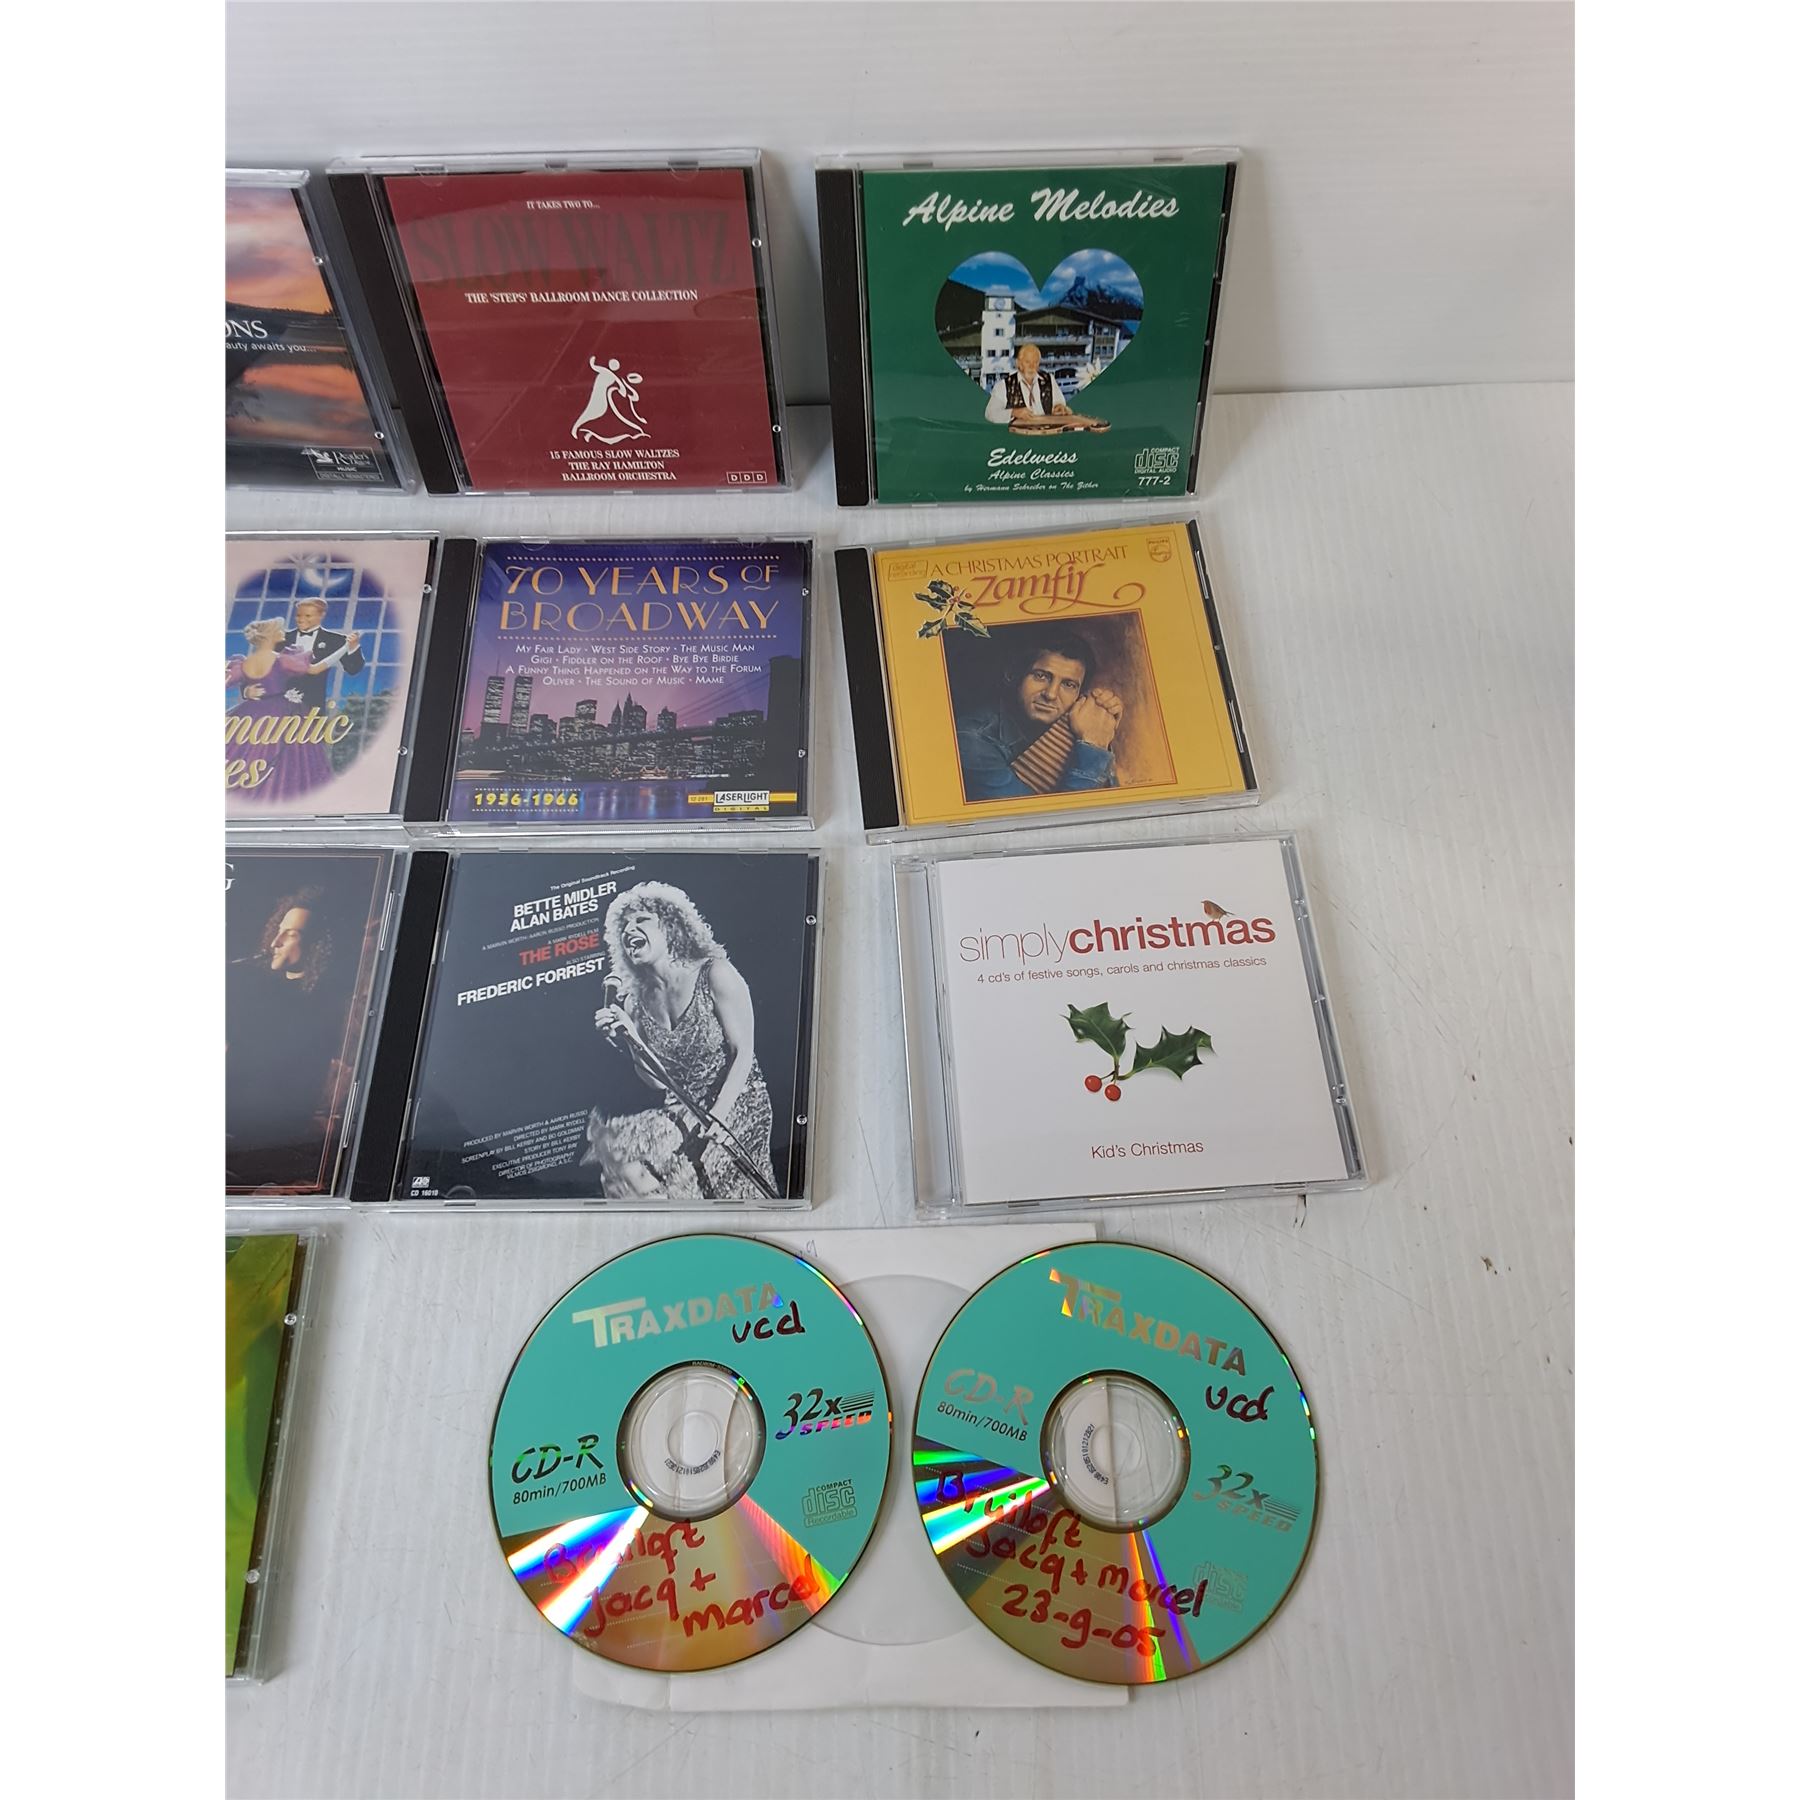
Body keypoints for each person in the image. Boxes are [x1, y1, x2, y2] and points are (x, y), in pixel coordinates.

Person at [582, 883, 777, 1200]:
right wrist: (630, 1038)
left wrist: (718, 1116)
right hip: (681, 1109)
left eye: (642, 920)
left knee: (724, 1190)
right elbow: (657, 1082)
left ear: (671, 927)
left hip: (738, 1101)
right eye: (624, 926)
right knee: (616, 1150)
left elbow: (743, 1052)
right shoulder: (634, 1002)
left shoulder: (715, 973)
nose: (630, 929)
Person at [225, 888, 347, 1190]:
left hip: (265, 1140)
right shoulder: (259, 992)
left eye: (290, 935)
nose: (274, 943)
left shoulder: (326, 1007)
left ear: (317, 944)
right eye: (278, 931)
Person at [954, 627, 1125, 800]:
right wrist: (1093, 747)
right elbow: (1046, 814)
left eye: (1068, 685)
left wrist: (1101, 730)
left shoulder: (1072, 727)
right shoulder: (971, 741)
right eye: (1041, 676)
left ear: (1078, 695)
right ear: (1013, 674)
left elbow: (1109, 802)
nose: (1051, 694)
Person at [279, 599, 363, 712]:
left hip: (313, 706)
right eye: (298, 615)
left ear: (322, 615)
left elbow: (353, 669)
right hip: (278, 702)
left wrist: (353, 647)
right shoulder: (280, 638)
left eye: (308, 616)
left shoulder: (335, 640)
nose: (301, 619)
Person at [985, 340, 1071, 425]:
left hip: (1047, 431)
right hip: (1020, 433)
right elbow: (990, 414)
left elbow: (1059, 403)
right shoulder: (1004, 385)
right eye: (1027, 362)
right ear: (1018, 363)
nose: (1032, 366)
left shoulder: (1049, 380)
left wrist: (1059, 408)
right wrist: (1014, 412)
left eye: (1035, 362)